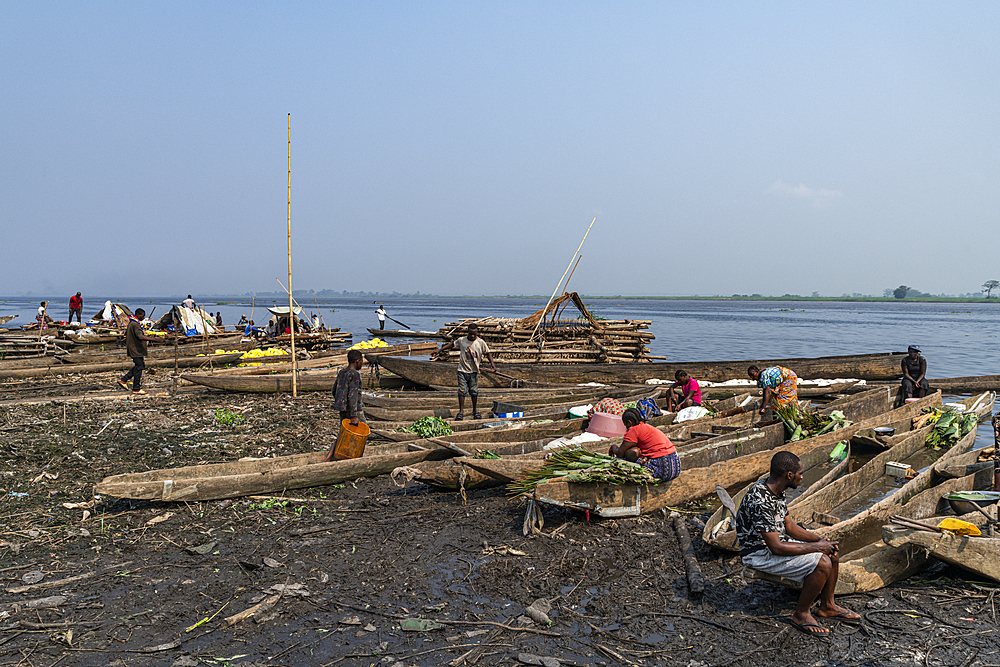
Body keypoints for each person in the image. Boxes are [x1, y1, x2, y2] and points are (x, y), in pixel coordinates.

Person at [734, 451, 860, 634]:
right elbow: (776, 548)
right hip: (758, 554)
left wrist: (820, 540)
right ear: (789, 475)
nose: (802, 477)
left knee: (831, 553)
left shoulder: (777, 490)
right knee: (822, 563)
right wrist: (817, 547)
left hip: (776, 544)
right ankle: (801, 614)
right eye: (800, 473)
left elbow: (789, 526)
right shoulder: (761, 500)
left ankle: (828, 605)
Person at [430, 323, 496, 420]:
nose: (472, 336)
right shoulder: (462, 340)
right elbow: (451, 345)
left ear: (477, 333)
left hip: (473, 372)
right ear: (468, 332)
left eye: (474, 334)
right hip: (462, 371)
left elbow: (488, 353)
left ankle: (474, 410)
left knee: (474, 392)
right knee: (462, 392)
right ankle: (461, 412)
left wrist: (493, 365)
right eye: (470, 334)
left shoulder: (480, 342)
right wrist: (439, 350)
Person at [609, 408, 681, 481]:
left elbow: (620, 453)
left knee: (623, 459)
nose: (626, 428)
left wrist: (613, 447)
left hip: (663, 470)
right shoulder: (646, 426)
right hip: (676, 466)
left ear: (629, 422)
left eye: (626, 425)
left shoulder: (633, 429)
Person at [325, 350, 366, 462]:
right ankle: (358, 459)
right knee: (364, 433)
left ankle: (331, 456)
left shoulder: (342, 372)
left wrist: (340, 402)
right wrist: (354, 415)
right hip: (354, 410)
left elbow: (334, 390)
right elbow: (352, 396)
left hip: (342, 408)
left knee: (343, 433)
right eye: (362, 362)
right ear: (357, 362)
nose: (362, 364)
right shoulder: (355, 374)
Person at [117, 308, 165, 395]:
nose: (143, 317)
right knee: (139, 367)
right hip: (135, 349)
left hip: (134, 348)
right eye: (142, 316)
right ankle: (136, 388)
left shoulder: (132, 323)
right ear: (138, 315)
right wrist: (156, 340)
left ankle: (123, 380)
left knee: (140, 365)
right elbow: (140, 336)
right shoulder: (135, 324)